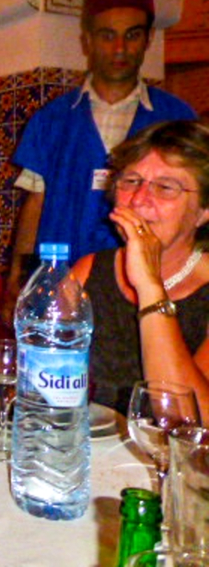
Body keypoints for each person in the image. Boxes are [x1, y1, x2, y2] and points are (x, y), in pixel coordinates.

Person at [2, 0, 196, 322]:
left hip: (150, 290)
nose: (120, 48)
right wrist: (17, 279)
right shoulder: (50, 120)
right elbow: (34, 205)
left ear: (148, 39)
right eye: (107, 35)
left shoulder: (178, 118)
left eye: (132, 35)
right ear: (87, 41)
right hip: (61, 288)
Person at [69, 120, 209, 421]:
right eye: (131, 181)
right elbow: (37, 371)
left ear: (203, 212)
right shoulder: (90, 270)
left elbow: (188, 421)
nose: (139, 199)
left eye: (166, 187)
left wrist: (149, 285)